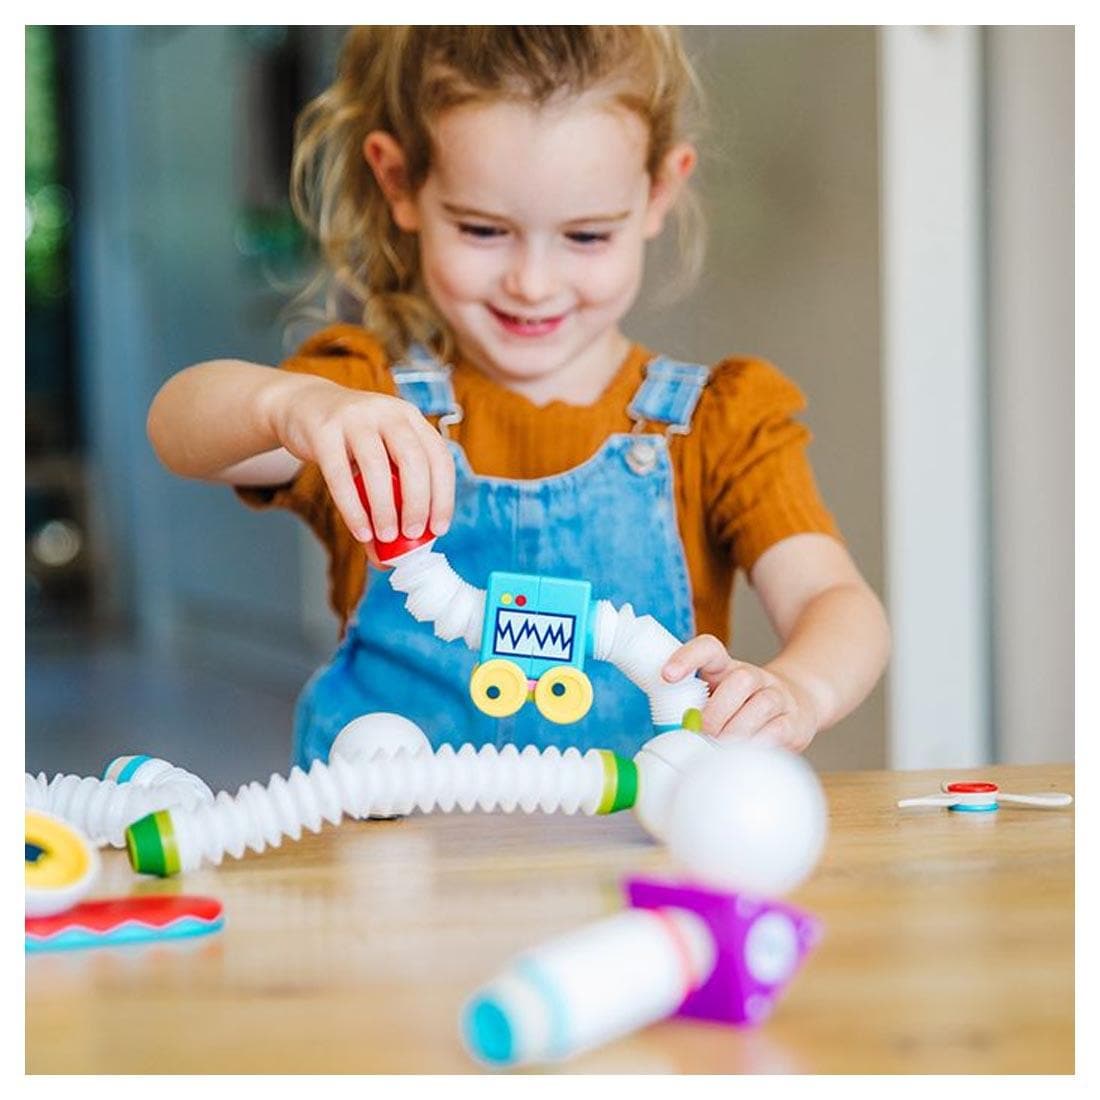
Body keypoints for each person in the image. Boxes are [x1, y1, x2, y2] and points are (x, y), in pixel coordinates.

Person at [147, 26, 890, 768]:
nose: (532, 283)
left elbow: (838, 602)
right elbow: (176, 426)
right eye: (482, 229)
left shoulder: (721, 424)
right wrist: (295, 408)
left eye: (587, 236)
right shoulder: (363, 403)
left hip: (636, 859)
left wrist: (799, 689)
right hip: (397, 867)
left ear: (659, 191)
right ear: (399, 182)